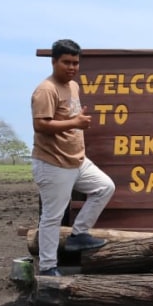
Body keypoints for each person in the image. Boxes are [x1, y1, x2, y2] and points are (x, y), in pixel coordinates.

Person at [31, 39, 115, 277]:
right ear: (54, 61)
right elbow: (40, 125)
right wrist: (75, 123)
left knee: (104, 187)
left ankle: (79, 234)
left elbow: (69, 116)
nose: (72, 67)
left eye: (76, 63)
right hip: (53, 162)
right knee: (52, 217)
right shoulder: (46, 90)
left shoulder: (73, 86)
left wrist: (76, 122)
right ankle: (48, 268)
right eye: (66, 62)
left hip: (77, 160)